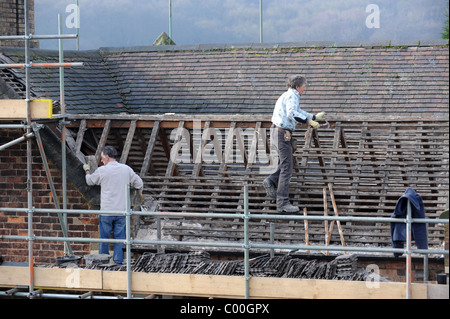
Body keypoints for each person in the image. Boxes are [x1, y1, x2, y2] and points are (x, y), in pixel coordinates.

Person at [263, 75, 326, 213]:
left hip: (278, 131)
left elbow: (297, 111)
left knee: (287, 162)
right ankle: (282, 203)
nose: (305, 89)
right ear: (298, 87)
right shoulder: (293, 96)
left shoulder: (288, 95)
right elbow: (292, 113)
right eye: (304, 86)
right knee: (287, 167)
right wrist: (309, 122)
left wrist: (313, 117)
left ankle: (271, 180)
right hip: (281, 133)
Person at [84, 146, 143, 264]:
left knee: (104, 239)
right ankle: (118, 262)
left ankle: (103, 262)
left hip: (106, 211)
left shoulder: (102, 170)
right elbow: (139, 183)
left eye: (101, 158)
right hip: (122, 211)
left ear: (106, 156)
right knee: (120, 239)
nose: (101, 161)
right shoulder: (126, 169)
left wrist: (87, 171)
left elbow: (89, 181)